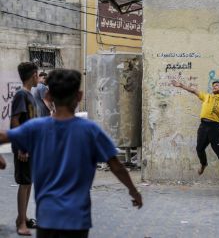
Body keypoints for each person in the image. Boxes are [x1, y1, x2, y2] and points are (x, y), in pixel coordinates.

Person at [0, 69, 143, 238]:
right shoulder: (91, 131)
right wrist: (133, 192)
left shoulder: (37, 128)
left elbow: (3, 136)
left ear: (50, 96)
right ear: (79, 96)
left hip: (47, 217)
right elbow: (117, 166)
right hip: (77, 218)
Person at [11, 62, 38, 236]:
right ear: (34, 75)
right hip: (24, 148)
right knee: (24, 183)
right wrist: (21, 148)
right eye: (38, 74)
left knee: (28, 182)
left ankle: (23, 217)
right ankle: (21, 223)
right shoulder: (21, 95)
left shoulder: (29, 95)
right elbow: (15, 121)